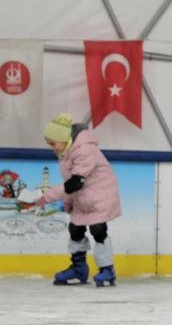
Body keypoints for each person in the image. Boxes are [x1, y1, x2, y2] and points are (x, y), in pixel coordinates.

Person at [36, 113, 121, 287]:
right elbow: (71, 183)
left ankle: (107, 269)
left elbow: (75, 182)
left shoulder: (85, 150)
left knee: (98, 229)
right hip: (83, 197)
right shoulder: (65, 154)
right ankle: (79, 268)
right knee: (75, 229)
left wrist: (46, 197)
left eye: (53, 143)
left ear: (64, 139)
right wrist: (69, 202)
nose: (51, 148)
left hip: (101, 196)